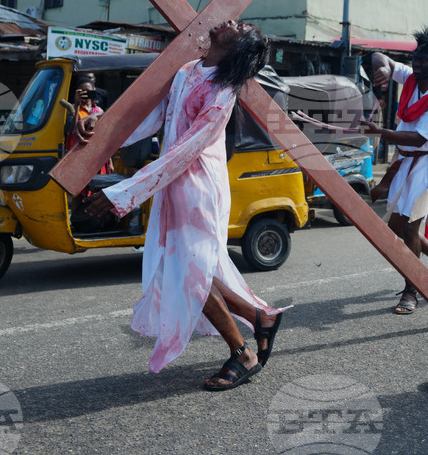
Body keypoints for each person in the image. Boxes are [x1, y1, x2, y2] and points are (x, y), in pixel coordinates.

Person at [79, 20, 286, 391]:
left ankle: (243, 353)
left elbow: (184, 154)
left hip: (198, 190)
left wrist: (123, 191)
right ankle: (260, 316)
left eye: (240, 27)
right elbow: (155, 119)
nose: (231, 20)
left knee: (191, 274)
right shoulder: (187, 70)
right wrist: (101, 124)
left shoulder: (222, 94)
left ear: (236, 45)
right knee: (200, 271)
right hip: (170, 186)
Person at [362, 26, 428, 315]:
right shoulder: (410, 77)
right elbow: (379, 56)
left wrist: (380, 131)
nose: (417, 63)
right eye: (416, 58)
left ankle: (412, 289)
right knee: (395, 226)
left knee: (409, 226)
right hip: (405, 158)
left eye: (424, 60)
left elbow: (419, 138)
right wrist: (382, 68)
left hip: (425, 162)